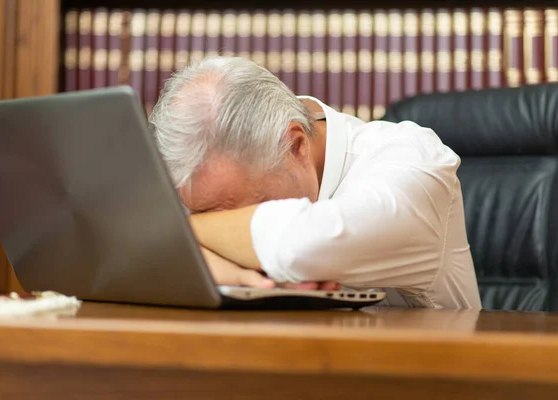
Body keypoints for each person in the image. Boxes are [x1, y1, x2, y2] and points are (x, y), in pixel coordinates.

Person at [148, 56, 482, 309]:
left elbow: (300, 245)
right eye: (198, 212)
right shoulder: (222, 173)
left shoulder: (414, 159)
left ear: (296, 145)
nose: (221, 226)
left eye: (231, 214)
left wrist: (179, 233)